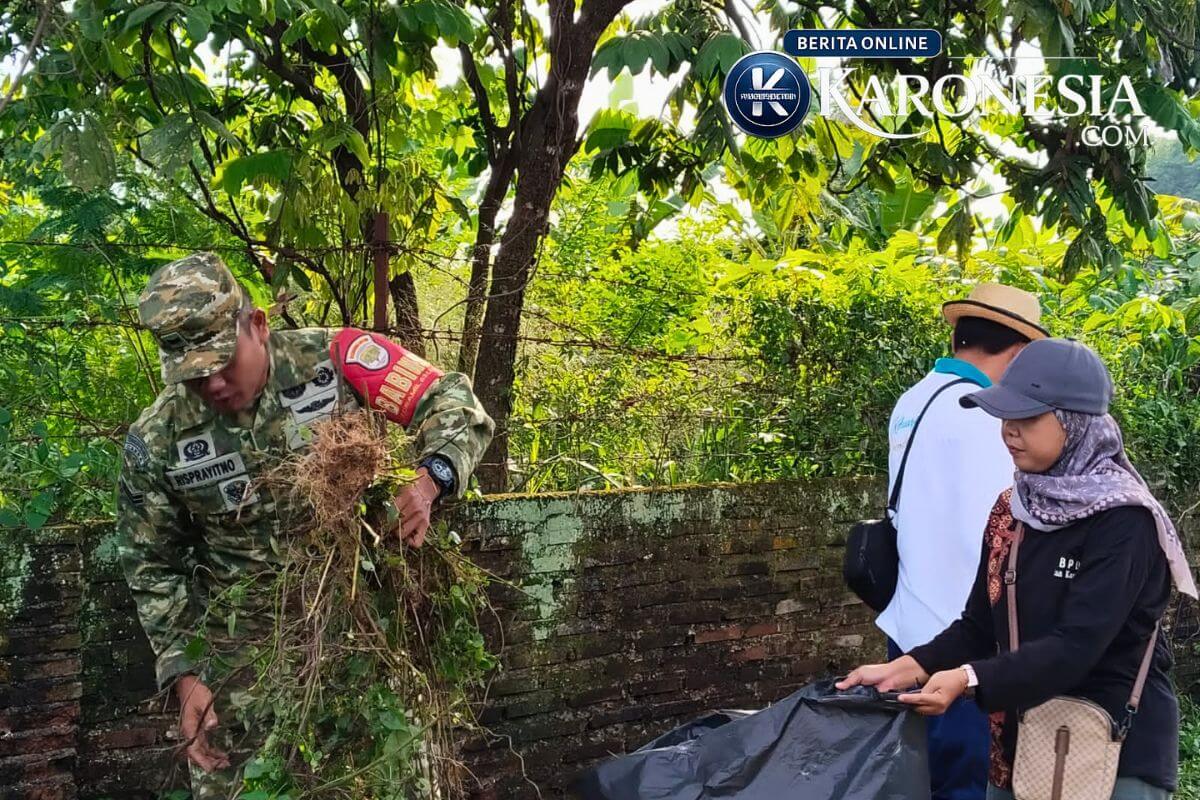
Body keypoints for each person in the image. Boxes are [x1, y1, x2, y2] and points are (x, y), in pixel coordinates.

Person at [116, 253, 495, 797]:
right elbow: (150, 561)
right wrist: (183, 672)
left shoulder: (337, 360)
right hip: (240, 668)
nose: (215, 384)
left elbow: (454, 401)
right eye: (195, 376)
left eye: (224, 362)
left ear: (259, 325)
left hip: (365, 641)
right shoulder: (157, 439)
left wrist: (431, 478)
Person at [840, 338, 1198, 799]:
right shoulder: (1013, 509)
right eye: (1006, 416)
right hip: (1021, 740)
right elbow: (977, 625)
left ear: (1075, 423)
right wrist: (909, 666)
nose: (1009, 431)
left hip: (1113, 748)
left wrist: (969, 679)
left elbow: (1076, 646)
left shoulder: (1125, 520)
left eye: (1026, 417)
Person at [876, 283, 1047, 800]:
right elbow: (1001, 530)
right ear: (1017, 353)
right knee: (965, 784)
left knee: (917, 779)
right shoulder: (981, 413)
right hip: (963, 643)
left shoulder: (914, 398)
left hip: (907, 628)